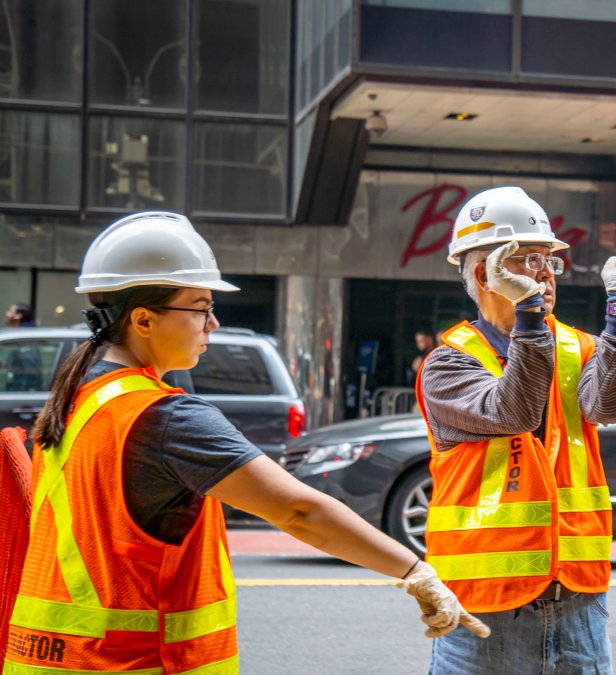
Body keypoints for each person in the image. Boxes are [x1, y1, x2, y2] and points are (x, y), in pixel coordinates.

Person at [5, 211, 488, 674]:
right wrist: (415, 572)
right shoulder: (162, 417)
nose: (212, 324)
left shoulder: (83, 395)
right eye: (200, 308)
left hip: (45, 658)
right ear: (143, 320)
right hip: (129, 664)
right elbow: (300, 511)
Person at [415, 186, 616, 674]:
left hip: (578, 597)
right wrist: (529, 315)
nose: (545, 273)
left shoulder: (578, 345)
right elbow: (516, 410)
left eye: (549, 261)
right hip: (483, 606)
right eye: (526, 259)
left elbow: (610, 406)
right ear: (484, 273)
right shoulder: (449, 363)